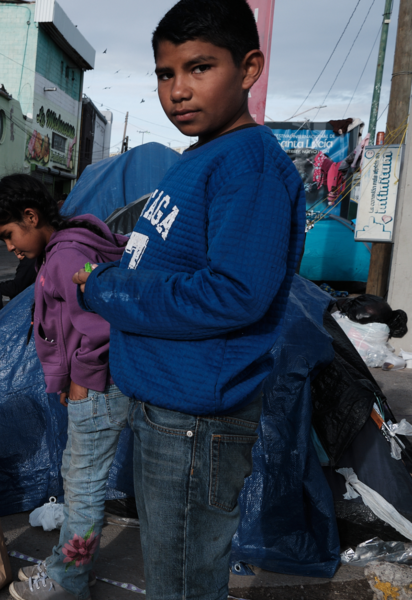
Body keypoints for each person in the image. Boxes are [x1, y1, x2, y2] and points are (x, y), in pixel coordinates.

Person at [73, 2, 305, 598]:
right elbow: (177, 258)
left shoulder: (248, 166)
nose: (177, 90)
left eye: (199, 68)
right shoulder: (201, 155)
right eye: (165, 73)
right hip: (169, 411)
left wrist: (107, 287)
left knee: (181, 582)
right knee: (173, 571)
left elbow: (233, 294)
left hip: (194, 424)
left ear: (249, 68)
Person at [0, 175, 127, 600]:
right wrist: (65, 376)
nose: (10, 247)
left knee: (82, 485)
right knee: (76, 475)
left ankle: (70, 582)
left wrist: (81, 376)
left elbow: (98, 327)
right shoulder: (72, 242)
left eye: (10, 235)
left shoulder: (65, 259)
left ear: (31, 217)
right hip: (95, 382)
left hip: (98, 385)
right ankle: (68, 564)